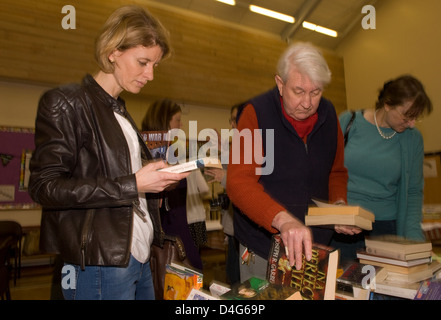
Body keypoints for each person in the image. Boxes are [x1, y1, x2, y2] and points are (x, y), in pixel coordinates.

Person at [28, 6, 189, 300]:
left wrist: (157, 177)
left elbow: (118, 178)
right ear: (113, 51)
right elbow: (45, 187)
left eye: (154, 65)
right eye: (143, 62)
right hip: (99, 261)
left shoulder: (120, 112)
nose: (150, 75)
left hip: (137, 256)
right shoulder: (67, 103)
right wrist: (134, 184)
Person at [226, 42, 359, 281]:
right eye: (298, 91)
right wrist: (282, 219)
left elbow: (336, 172)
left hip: (316, 248)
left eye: (316, 92)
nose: (307, 103)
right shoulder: (256, 113)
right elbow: (239, 183)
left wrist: (338, 206)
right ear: (280, 83)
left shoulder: (330, 116)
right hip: (264, 249)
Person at [332, 75, 433, 262]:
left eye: (415, 118)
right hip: (343, 225)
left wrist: (414, 243)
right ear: (387, 104)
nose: (411, 123)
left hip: (386, 229)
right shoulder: (349, 121)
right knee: (342, 285)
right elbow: (328, 171)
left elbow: (412, 193)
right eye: (407, 116)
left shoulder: (412, 139)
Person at [142, 99, 206, 270]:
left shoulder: (172, 151)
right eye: (177, 119)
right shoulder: (148, 153)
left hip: (178, 228)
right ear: (165, 120)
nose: (181, 124)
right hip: (167, 232)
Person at [205, 103, 241, 285]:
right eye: (231, 120)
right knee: (233, 277)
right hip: (234, 227)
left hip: (245, 231)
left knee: (241, 281)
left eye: (235, 120)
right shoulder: (238, 147)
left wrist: (225, 176)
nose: (232, 125)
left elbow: (247, 182)